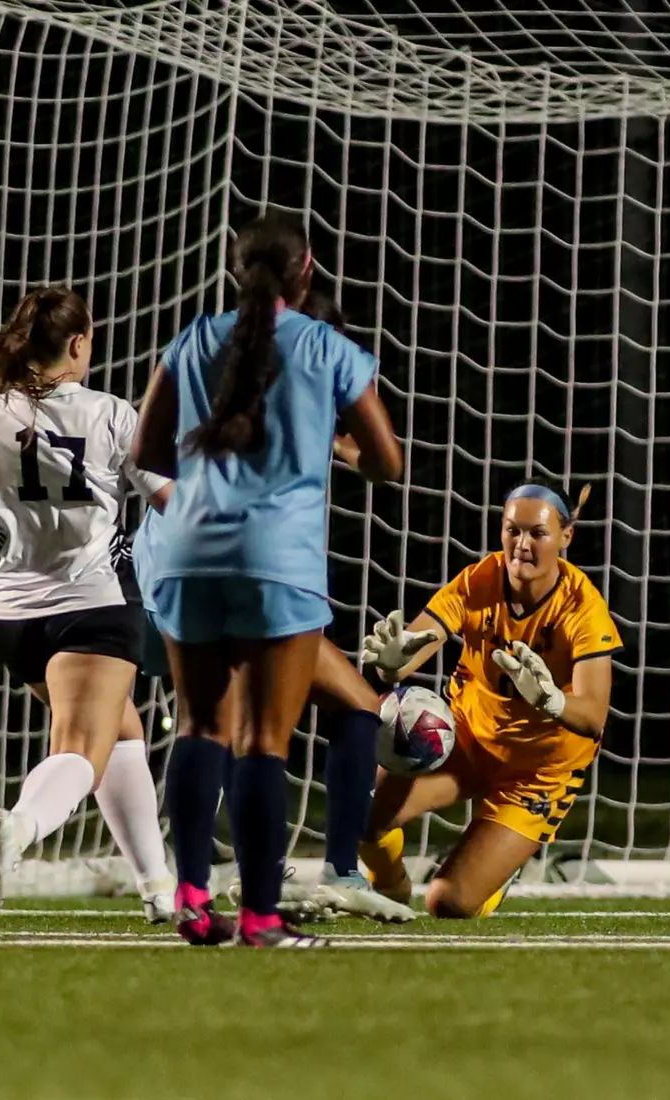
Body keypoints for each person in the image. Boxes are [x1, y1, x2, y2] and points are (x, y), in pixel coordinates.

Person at [132, 215, 403, 948]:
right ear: (305, 272)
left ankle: (190, 898)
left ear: (234, 271)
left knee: (198, 726)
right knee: (262, 740)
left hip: (187, 549)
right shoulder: (325, 346)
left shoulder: (191, 339)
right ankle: (259, 917)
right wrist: (332, 448)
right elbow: (388, 461)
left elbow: (146, 449)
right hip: (275, 559)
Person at [0, 287, 176, 921]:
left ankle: (159, 891)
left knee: (121, 733)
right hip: (94, 604)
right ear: (78, 344)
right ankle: (21, 827)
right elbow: (171, 499)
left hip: (15, 615)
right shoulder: (112, 413)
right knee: (82, 748)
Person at [359, 476, 621, 918]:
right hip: (466, 741)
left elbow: (594, 715)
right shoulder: (480, 579)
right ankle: (388, 887)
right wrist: (389, 663)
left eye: (537, 533)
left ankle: (498, 872)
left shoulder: (582, 607)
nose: (521, 544)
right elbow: (410, 652)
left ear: (565, 537)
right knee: (362, 820)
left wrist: (551, 701)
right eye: (511, 530)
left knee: (447, 903)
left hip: (537, 770)